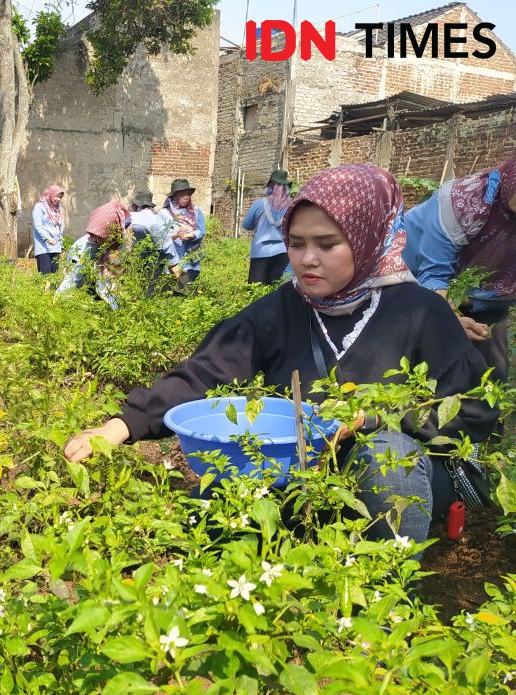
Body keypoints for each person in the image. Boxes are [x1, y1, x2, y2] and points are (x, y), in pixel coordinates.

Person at [65, 164, 497, 546]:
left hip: (395, 487)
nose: (307, 259)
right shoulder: (280, 310)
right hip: (302, 479)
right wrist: (121, 426)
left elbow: (473, 412)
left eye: (327, 244)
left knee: (386, 457)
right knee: (208, 515)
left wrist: (371, 419)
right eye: (296, 242)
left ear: (368, 238)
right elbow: (205, 372)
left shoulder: (421, 312)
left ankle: (385, 591)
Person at [403, 153, 516, 381]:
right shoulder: (464, 202)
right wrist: (449, 317)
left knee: (491, 375)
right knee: (431, 370)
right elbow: (433, 275)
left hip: (487, 299)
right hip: (421, 287)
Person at [55, 199, 131, 309]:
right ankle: (58, 302)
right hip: (79, 258)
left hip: (102, 254)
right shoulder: (86, 245)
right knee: (78, 277)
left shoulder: (117, 241)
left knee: (102, 284)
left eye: (101, 238)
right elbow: (75, 269)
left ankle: (115, 309)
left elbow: (112, 270)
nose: (98, 240)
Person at [242, 169, 293, 284]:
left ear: (270, 185)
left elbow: (247, 225)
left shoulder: (259, 204)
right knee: (279, 289)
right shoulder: (291, 206)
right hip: (283, 253)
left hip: (260, 253)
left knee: (255, 291)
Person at [158, 178, 206, 292]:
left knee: (189, 279)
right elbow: (160, 237)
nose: (186, 197)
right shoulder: (164, 214)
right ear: (174, 196)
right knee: (171, 287)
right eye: (182, 194)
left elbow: (202, 230)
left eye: (188, 194)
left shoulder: (196, 210)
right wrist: (176, 234)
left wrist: (191, 235)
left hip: (190, 255)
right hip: (173, 257)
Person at [31, 185, 65, 274]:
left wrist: (61, 244)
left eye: (60, 197)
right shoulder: (40, 207)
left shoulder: (58, 209)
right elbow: (38, 225)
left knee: (54, 277)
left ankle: (53, 289)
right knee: (45, 275)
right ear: (51, 195)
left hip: (55, 247)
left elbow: (60, 227)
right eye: (56, 196)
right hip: (43, 247)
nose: (58, 199)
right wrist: (47, 238)